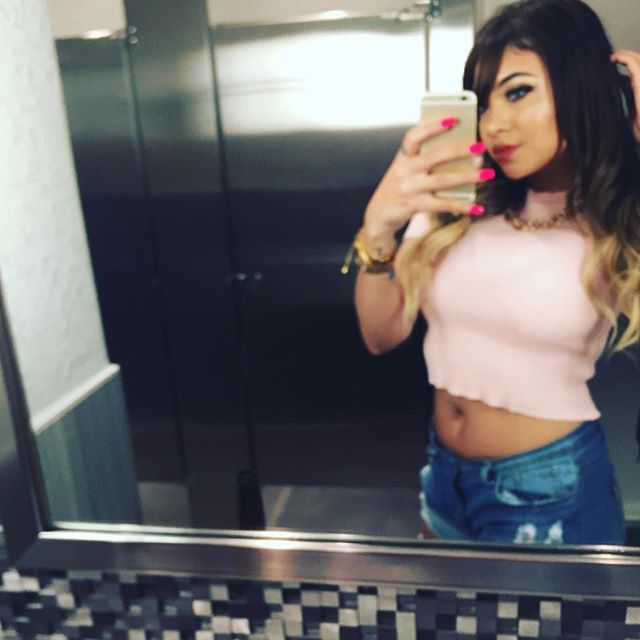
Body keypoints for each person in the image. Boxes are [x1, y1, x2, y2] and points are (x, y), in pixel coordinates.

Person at [351, 0, 640, 545]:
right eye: (482, 103)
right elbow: (380, 333)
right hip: (444, 478)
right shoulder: (456, 202)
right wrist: (377, 230)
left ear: (581, 88)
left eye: (518, 92)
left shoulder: (616, 216)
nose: (493, 123)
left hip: (550, 491)